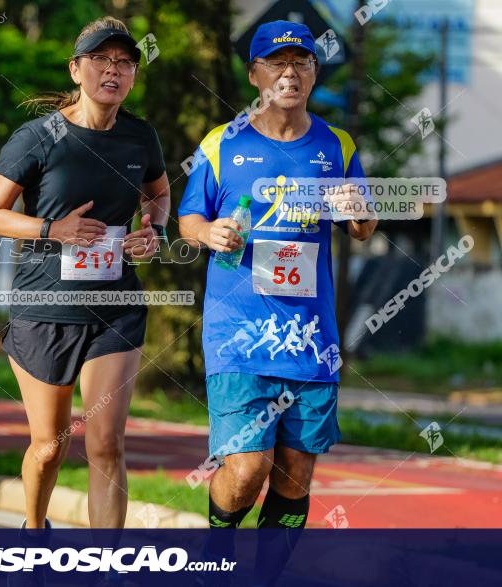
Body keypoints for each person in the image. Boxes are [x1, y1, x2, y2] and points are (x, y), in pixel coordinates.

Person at [178, 19, 376, 582]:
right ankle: (217, 555)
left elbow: (363, 225)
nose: (290, 73)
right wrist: (207, 232)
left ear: (314, 73)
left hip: (310, 339)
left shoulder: (337, 146)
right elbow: (189, 216)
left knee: (294, 473)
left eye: (303, 63)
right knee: (245, 470)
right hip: (239, 334)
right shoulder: (224, 142)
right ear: (254, 74)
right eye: (277, 63)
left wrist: (356, 208)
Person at [0, 15, 170, 539]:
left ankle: (107, 565)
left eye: (125, 62)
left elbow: (158, 194)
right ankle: (34, 532)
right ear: (76, 68)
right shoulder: (38, 137)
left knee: (106, 442)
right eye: (102, 60)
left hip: (116, 307)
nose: (114, 70)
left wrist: (152, 226)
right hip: (46, 309)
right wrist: (51, 228)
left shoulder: (140, 136)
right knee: (49, 445)